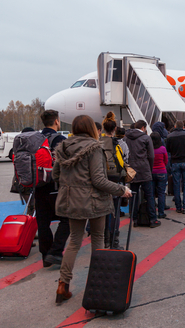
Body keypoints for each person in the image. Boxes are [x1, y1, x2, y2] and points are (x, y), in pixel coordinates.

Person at [52, 115, 131, 304]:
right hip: (95, 202)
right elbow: (99, 180)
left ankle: (63, 284)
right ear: (91, 129)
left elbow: (56, 175)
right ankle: (99, 281)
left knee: (73, 243)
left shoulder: (63, 148)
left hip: (72, 202)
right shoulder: (94, 148)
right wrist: (122, 190)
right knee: (98, 239)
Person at [35, 110, 70, 267]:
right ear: (56, 121)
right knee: (67, 219)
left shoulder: (36, 139)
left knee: (43, 222)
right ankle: (55, 251)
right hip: (56, 187)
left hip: (39, 186)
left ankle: (45, 257)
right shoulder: (60, 139)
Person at [125, 120, 160, 227]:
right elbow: (151, 156)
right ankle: (152, 219)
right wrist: (149, 168)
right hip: (144, 169)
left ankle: (134, 219)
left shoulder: (126, 138)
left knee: (133, 195)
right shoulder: (146, 138)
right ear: (143, 127)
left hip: (132, 170)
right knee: (149, 195)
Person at [100, 112, 125, 249]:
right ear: (115, 129)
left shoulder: (98, 143)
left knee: (103, 211)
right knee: (114, 210)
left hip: (101, 178)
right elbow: (122, 163)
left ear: (103, 128)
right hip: (115, 178)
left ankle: (105, 239)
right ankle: (114, 241)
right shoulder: (118, 143)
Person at [166, 120, 185, 214]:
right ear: (183, 127)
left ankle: (178, 207)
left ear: (175, 126)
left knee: (176, 185)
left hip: (175, 162)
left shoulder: (170, 136)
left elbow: (168, 149)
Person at [151, 132, 168, 219]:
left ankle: (153, 212)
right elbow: (166, 160)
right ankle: (161, 213)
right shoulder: (162, 149)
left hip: (152, 172)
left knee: (152, 194)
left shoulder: (149, 149)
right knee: (161, 193)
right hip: (161, 171)